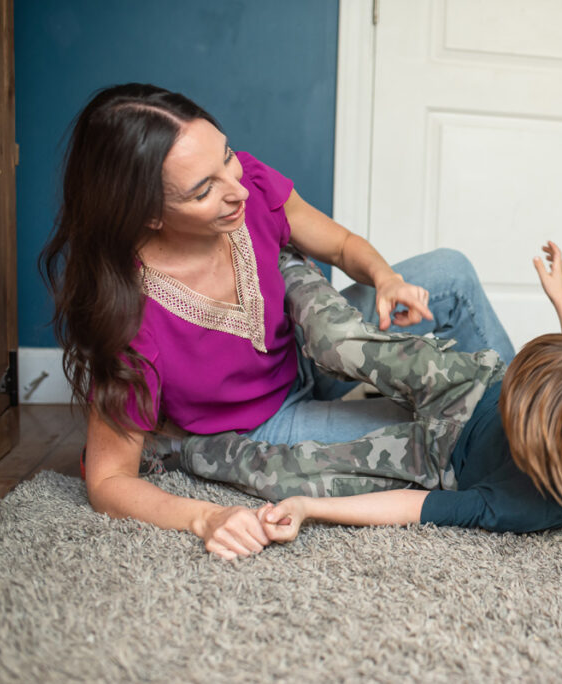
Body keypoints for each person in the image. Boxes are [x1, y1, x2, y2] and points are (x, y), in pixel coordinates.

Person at [40, 83, 514, 559]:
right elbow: (107, 479)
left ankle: (535, 413)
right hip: (266, 422)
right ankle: (522, 450)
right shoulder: (129, 318)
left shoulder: (254, 189)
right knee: (437, 435)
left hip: (313, 353)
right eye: (205, 189)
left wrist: (385, 279)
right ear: (148, 215)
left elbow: (342, 246)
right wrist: (205, 516)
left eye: (227, 157)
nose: (238, 189)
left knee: (449, 271)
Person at [172, 241, 562, 557]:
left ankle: (178, 447)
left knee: (284, 469)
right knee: (345, 335)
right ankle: (279, 252)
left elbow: (407, 507)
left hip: (435, 456)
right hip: (463, 381)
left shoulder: (528, 508)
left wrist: (307, 507)